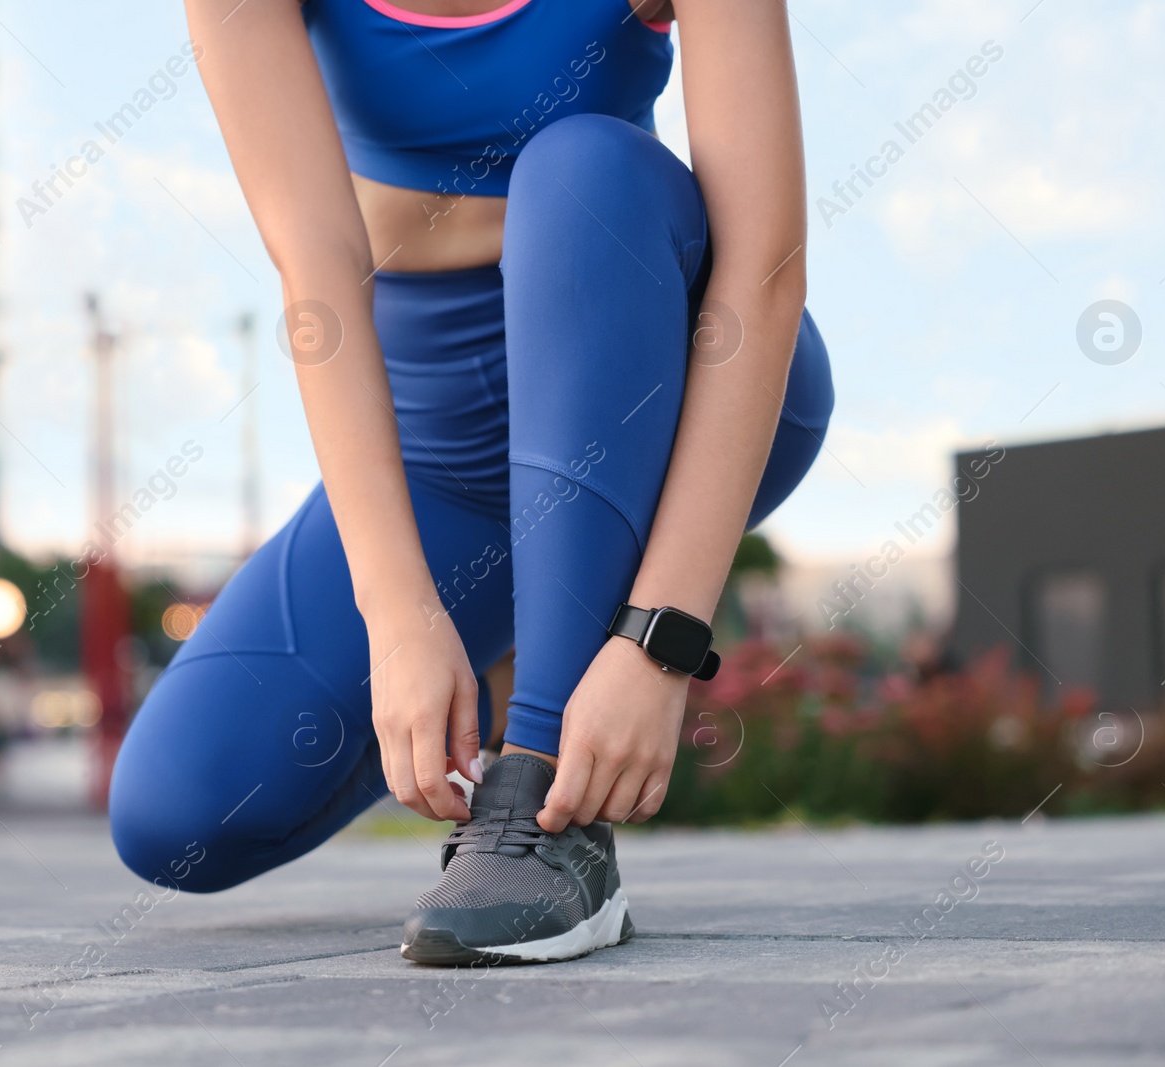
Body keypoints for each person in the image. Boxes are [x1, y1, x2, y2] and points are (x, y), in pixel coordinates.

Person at [109, 0, 833, 964]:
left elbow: (766, 268)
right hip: (441, 453)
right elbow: (318, 276)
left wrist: (661, 642)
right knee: (176, 812)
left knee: (579, 164)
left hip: (659, 401)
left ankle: (543, 815)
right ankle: (521, 687)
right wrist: (400, 616)